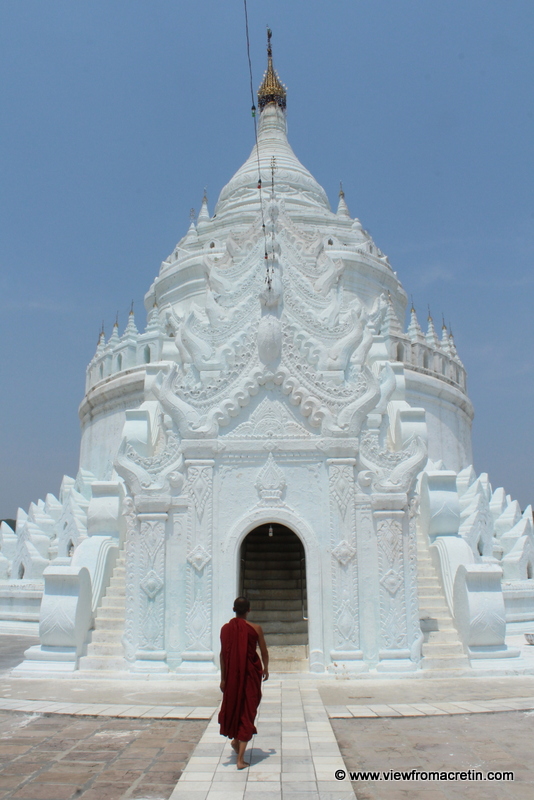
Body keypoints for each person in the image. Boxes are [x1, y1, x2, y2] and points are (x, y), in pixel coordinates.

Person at [218, 596, 269, 769]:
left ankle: (235, 741)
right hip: (249, 676)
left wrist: (223, 679)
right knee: (248, 710)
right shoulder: (256, 628)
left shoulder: (225, 629)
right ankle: (240, 759)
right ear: (249, 610)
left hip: (231, 677)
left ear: (234, 609)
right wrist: (266, 668)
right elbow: (264, 652)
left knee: (237, 706)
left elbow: (222, 656)